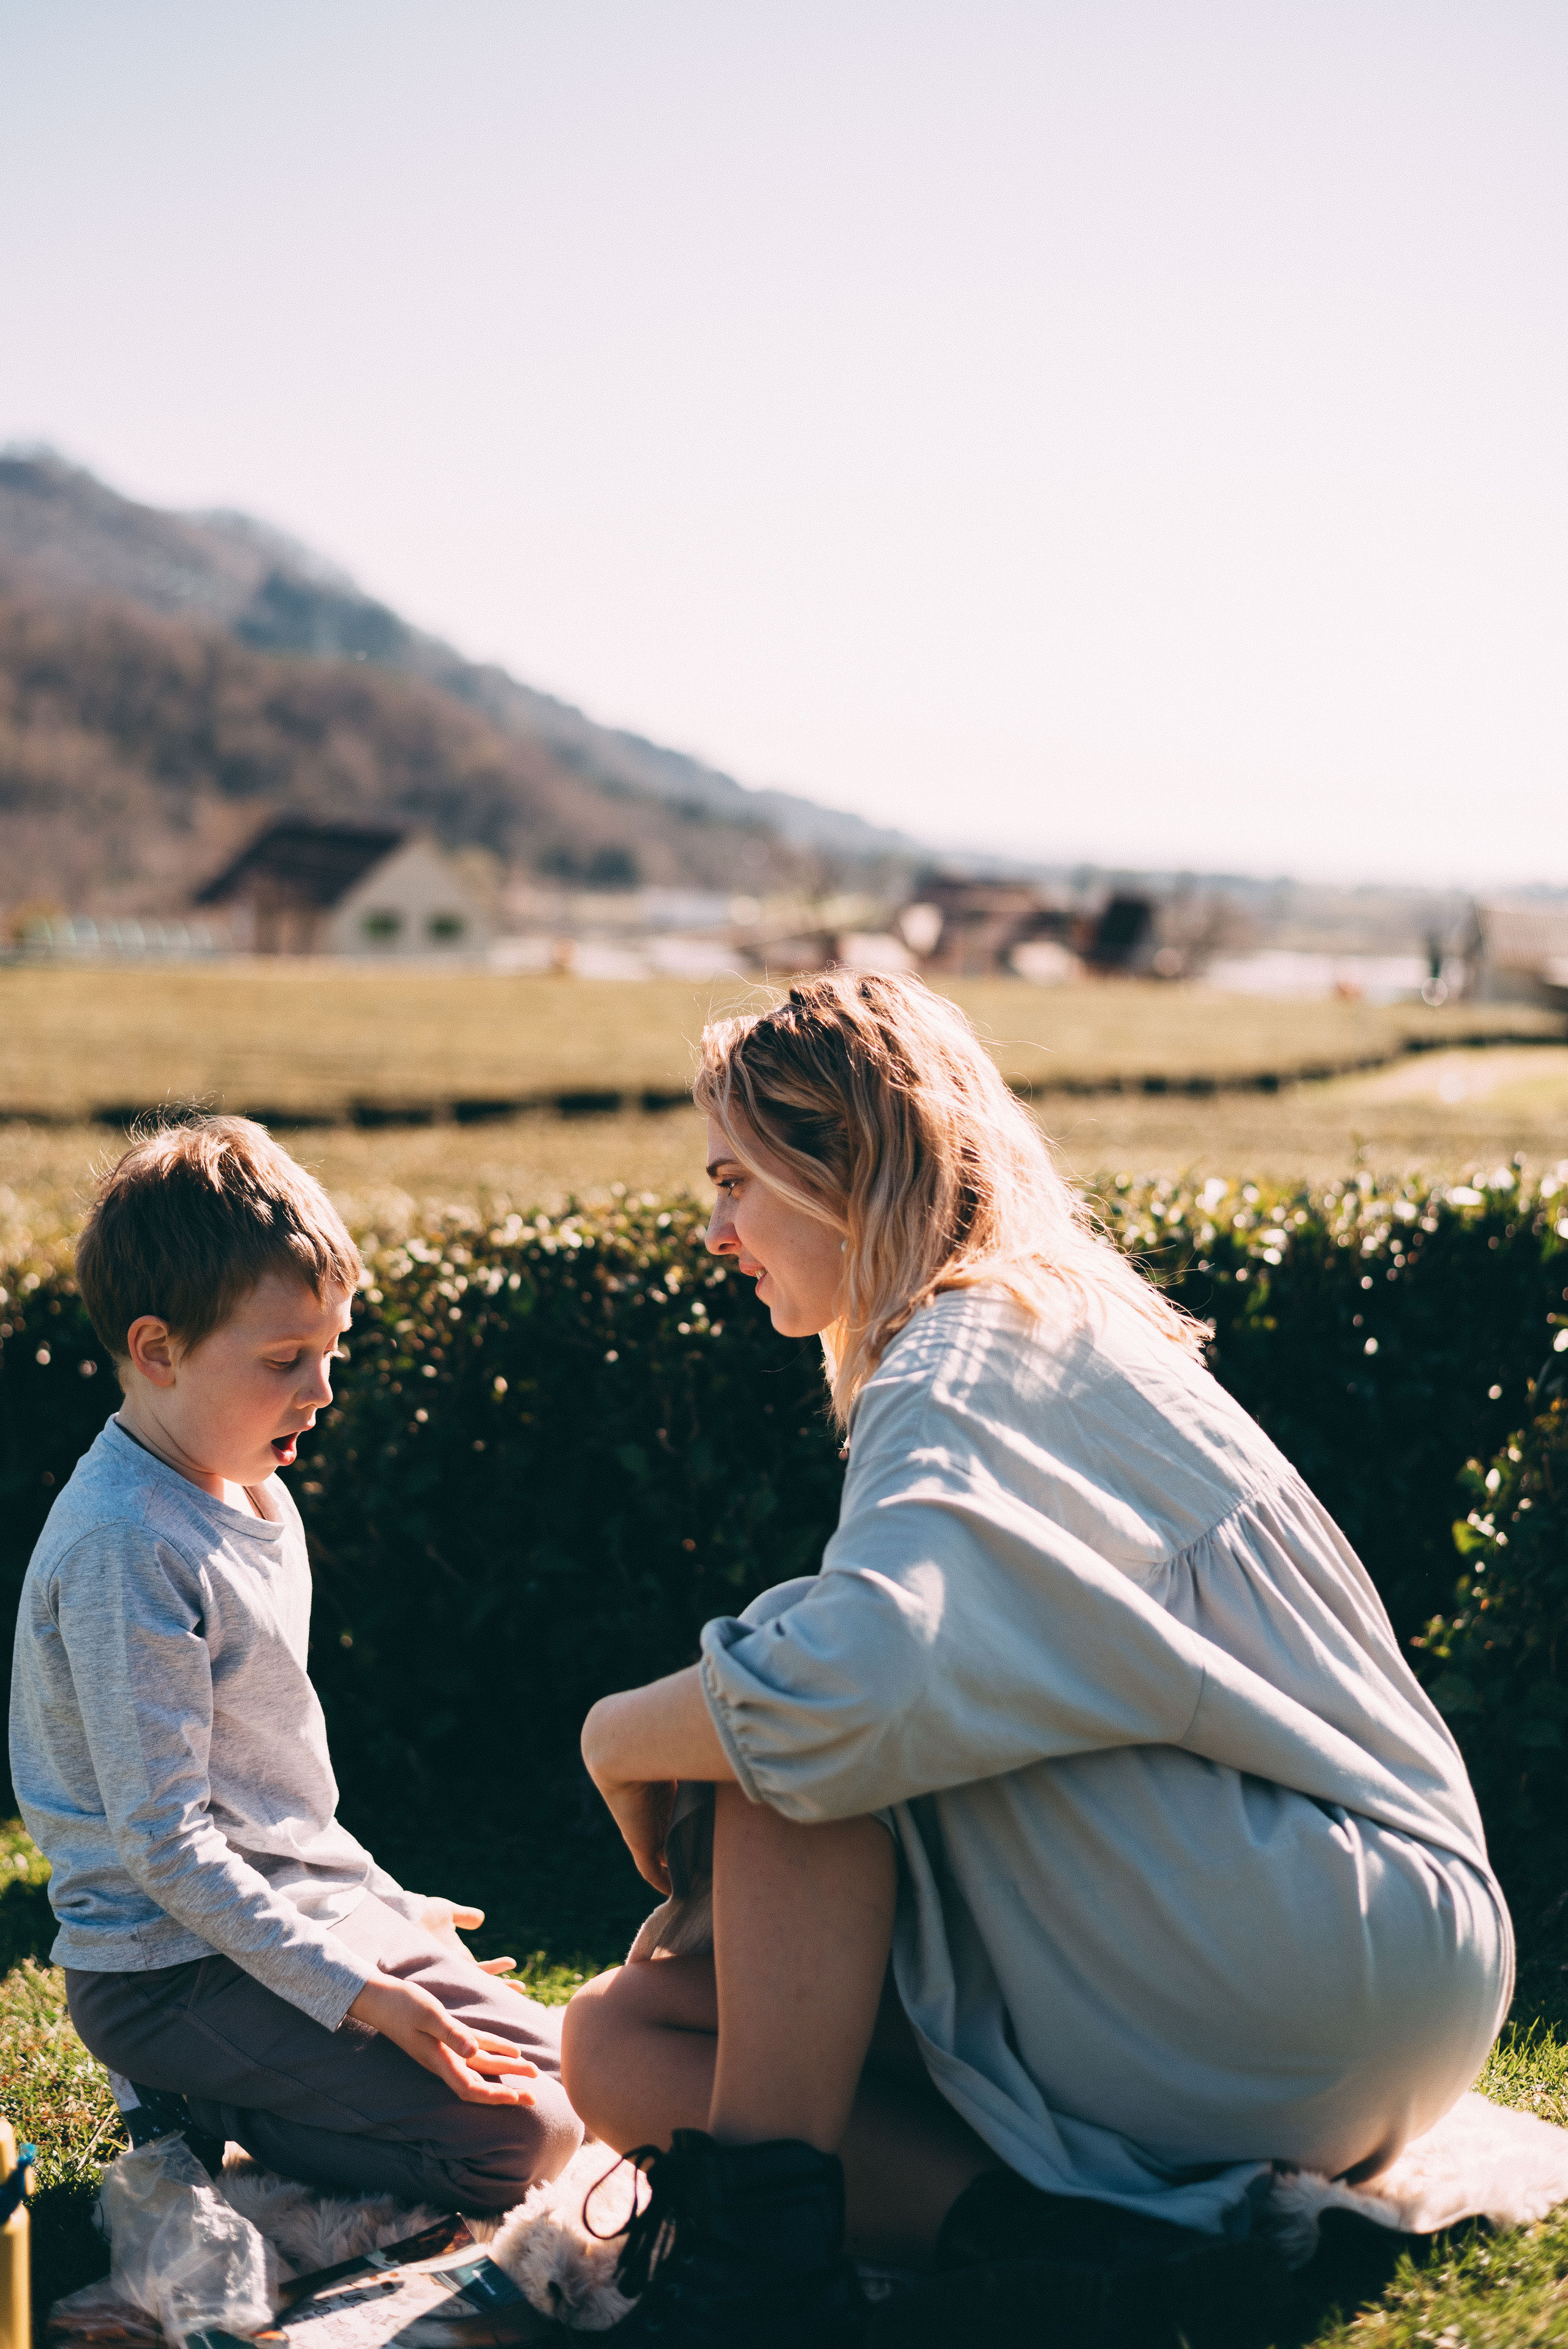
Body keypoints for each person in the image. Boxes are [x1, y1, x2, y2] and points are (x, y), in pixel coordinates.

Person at [561, 971, 1512, 2347]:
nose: (715, 1232)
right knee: (620, 2044)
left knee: (788, 1697)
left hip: (1317, 1948)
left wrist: (612, 1736)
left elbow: (853, 1680)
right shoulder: (1032, 1337)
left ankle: (762, 2289)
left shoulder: (967, 1346)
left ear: (847, 1170)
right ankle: (1074, 2251)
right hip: (1354, 1995)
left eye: (736, 1181)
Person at [9, 1116, 581, 2210]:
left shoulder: (253, 1491)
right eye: (284, 1361)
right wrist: (364, 1994)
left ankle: (302, 2061)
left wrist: (377, 1905)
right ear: (158, 1349)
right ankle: (188, 2106)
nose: (320, 1391)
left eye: (331, 1352)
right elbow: (167, 1846)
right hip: (166, 1976)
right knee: (523, 2146)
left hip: (301, 1918)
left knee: (584, 2078)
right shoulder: (128, 1545)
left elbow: (266, 1792)